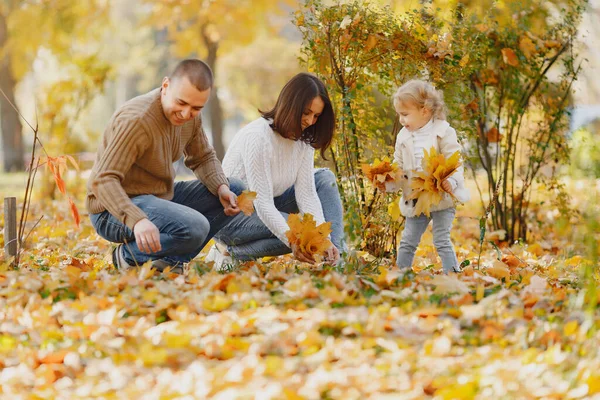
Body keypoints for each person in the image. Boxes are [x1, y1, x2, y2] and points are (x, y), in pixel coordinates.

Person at [86, 59, 244, 273]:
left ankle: (168, 261)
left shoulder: (190, 119)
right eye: (181, 103)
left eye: (196, 108)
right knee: (195, 227)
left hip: (157, 198)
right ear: (166, 86)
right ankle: (128, 256)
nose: (186, 113)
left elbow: (203, 157)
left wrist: (221, 188)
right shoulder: (137, 121)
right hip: (111, 210)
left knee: (235, 189)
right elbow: (102, 179)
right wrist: (137, 219)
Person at [206, 72, 347, 269]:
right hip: (229, 218)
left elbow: (306, 194)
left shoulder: (304, 141)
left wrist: (323, 239)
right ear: (291, 105)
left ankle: (338, 257)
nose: (310, 121)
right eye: (306, 113)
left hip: (268, 206)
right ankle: (228, 251)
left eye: (316, 116)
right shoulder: (258, 137)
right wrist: (296, 239)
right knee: (296, 234)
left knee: (324, 178)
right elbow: (262, 203)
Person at [391, 79, 470, 273]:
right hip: (417, 197)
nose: (401, 120)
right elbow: (398, 164)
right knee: (408, 239)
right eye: (399, 115)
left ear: (424, 111)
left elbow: (455, 161)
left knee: (441, 238)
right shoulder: (403, 136)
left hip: (441, 196)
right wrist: (391, 178)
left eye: (405, 114)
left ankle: (452, 275)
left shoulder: (444, 132)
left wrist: (450, 180)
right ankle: (401, 274)